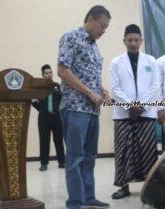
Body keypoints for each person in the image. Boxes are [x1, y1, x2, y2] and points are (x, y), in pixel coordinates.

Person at [57, 5, 111, 209]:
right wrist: (89, 93)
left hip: (92, 110)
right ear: (90, 19)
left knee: (89, 158)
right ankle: (76, 203)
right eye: (102, 26)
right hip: (75, 108)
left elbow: (89, 77)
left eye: (106, 28)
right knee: (75, 159)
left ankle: (89, 198)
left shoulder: (94, 46)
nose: (103, 31)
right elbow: (62, 70)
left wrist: (101, 90)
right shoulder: (71, 37)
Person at [110, 24, 159, 199]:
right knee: (123, 151)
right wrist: (130, 106)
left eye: (136, 40)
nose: (132, 43)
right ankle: (123, 186)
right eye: (129, 40)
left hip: (145, 113)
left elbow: (155, 87)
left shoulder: (151, 61)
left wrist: (141, 106)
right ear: (124, 41)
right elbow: (115, 89)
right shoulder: (116, 62)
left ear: (141, 41)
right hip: (124, 114)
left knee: (147, 151)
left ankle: (149, 187)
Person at [32, 64, 65, 171]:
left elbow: (62, 100)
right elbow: (33, 102)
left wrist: (58, 110)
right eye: (46, 73)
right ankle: (44, 163)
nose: (49, 74)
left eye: (50, 72)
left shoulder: (57, 86)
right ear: (43, 75)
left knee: (59, 140)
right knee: (44, 140)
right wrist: (42, 109)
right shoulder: (39, 88)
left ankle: (62, 162)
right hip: (43, 118)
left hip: (56, 118)